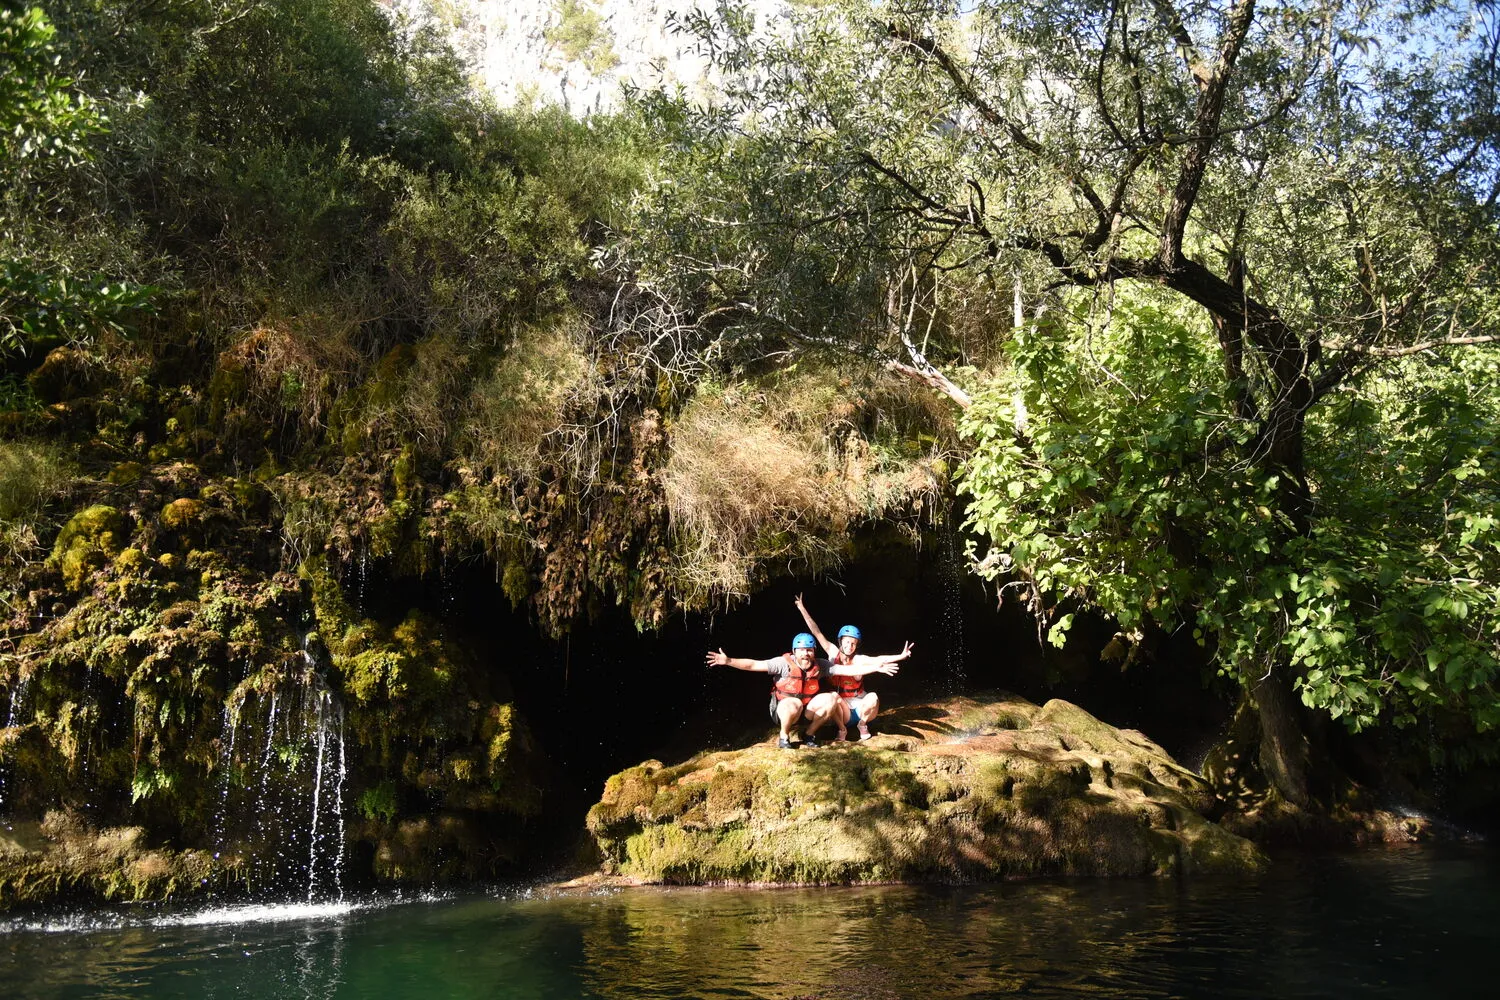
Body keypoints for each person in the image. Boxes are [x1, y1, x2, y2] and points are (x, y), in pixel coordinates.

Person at [795, 594, 913, 741]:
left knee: (873, 697)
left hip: (860, 707)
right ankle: (842, 730)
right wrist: (802, 609)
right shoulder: (832, 652)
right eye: (847, 642)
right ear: (840, 641)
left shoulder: (859, 660)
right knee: (834, 697)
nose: (849, 646)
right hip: (840, 710)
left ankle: (862, 725)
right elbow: (816, 632)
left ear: (857, 645)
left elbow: (880, 659)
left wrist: (901, 656)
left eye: (853, 643)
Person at [705, 633, 844, 749]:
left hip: (806, 712)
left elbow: (848, 670)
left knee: (831, 699)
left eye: (809, 650)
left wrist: (866, 668)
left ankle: (809, 735)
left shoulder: (821, 665)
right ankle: (784, 737)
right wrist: (729, 661)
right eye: (801, 650)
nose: (806, 653)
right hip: (785, 710)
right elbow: (753, 664)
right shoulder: (782, 663)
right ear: (794, 651)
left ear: (814, 652)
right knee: (794, 702)